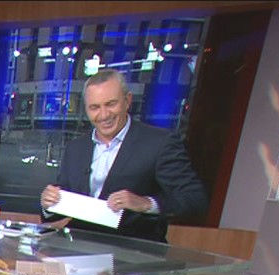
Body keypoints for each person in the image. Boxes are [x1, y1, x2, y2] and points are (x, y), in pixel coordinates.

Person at [39, 69, 207, 243]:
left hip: (134, 251)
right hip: (78, 248)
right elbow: (63, 204)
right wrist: (49, 205)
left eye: (111, 104)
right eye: (95, 107)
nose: (104, 115)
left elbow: (195, 199)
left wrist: (146, 204)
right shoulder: (75, 148)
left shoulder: (160, 143)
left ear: (127, 101)